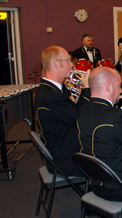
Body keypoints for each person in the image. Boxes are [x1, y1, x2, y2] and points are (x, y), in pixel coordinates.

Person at [77, 67, 122, 200]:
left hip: (95, 182)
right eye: (119, 86)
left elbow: (111, 134)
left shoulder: (83, 108)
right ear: (108, 87)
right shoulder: (116, 116)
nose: (120, 91)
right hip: (119, 186)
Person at [35, 46, 90, 176]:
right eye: (68, 60)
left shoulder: (51, 89)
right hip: (65, 159)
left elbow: (70, 111)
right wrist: (87, 89)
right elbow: (81, 119)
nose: (72, 64)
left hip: (63, 147)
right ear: (56, 64)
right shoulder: (52, 97)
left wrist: (79, 97)